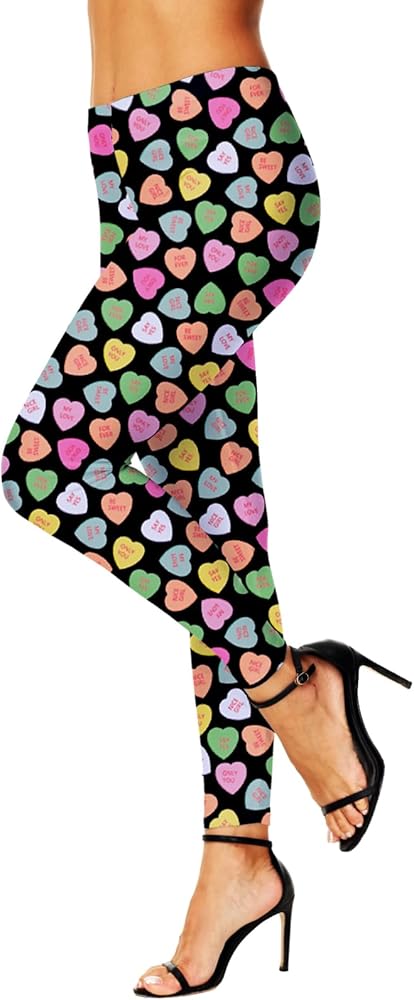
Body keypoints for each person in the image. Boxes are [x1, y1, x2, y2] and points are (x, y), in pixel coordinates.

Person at [1, 1, 411, 995]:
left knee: (47, 465)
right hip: (132, 162)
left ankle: (294, 692)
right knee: (207, 519)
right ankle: (240, 856)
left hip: (223, 164)